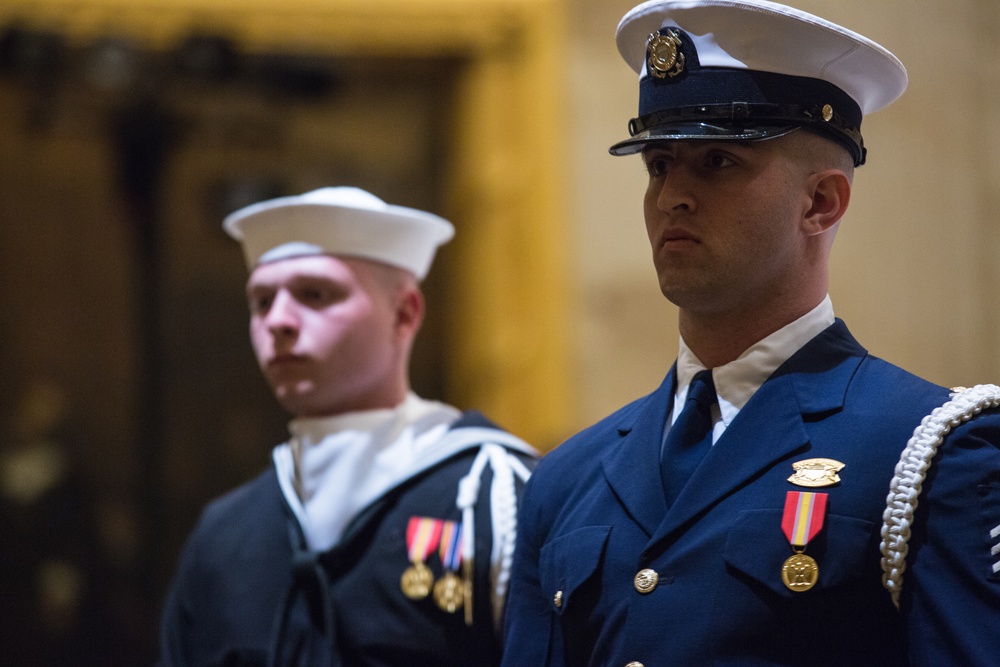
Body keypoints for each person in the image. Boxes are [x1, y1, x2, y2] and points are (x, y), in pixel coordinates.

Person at [501, 1, 1000, 666]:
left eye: (716, 162)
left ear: (819, 202)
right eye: (658, 165)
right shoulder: (568, 476)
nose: (672, 195)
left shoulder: (931, 452)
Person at [158, 186, 537, 666]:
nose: (278, 321)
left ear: (404, 314)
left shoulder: (495, 499)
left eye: (315, 294)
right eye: (261, 302)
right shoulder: (224, 532)